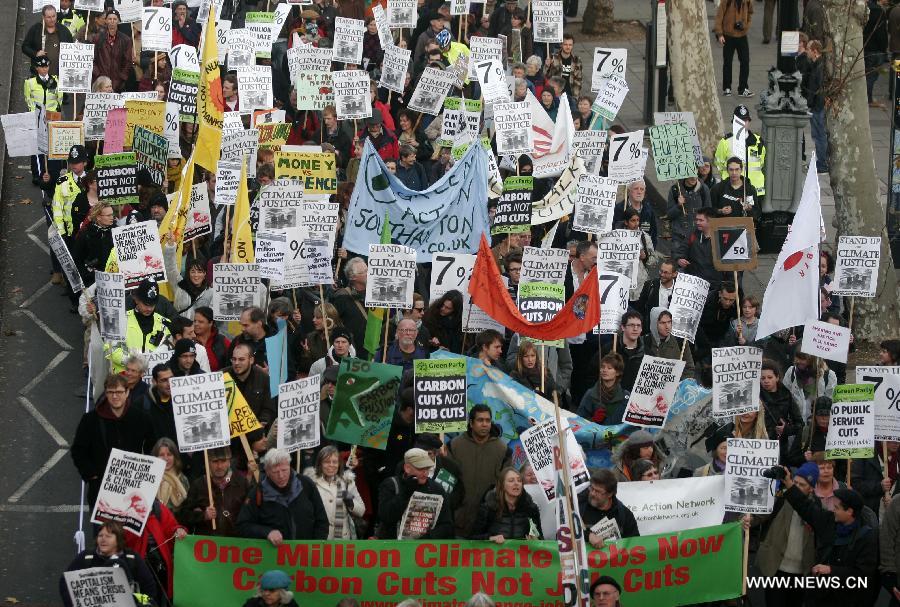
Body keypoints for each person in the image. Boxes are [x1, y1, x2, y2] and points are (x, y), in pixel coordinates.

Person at [781, 468, 879, 607]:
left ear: (849, 511)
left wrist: (831, 570)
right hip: (820, 597)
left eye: (837, 507)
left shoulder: (867, 537)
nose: (833, 510)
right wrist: (789, 484)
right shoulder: (828, 521)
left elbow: (864, 576)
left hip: (847, 599)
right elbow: (805, 506)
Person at [71, 374, 157, 510]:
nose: (115, 396)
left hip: (132, 486)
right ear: (105, 393)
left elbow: (152, 446)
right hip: (100, 487)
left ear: (127, 392)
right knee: (102, 530)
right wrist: (91, 475)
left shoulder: (141, 417)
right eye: (111, 392)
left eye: (119, 392)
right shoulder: (90, 419)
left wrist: (147, 471)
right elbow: (78, 450)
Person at [753, 462, 820, 607]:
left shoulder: (817, 509)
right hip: (776, 568)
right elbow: (760, 515)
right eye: (795, 482)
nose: (795, 487)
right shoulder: (781, 498)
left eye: (802, 485)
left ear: (811, 489)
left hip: (801, 573)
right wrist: (748, 519)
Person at [236, 448, 330, 543]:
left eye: (284, 470)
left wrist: (315, 547)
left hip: (305, 553)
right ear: (267, 472)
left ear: (289, 466)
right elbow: (243, 526)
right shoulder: (257, 492)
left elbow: (322, 521)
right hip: (273, 554)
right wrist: (267, 532)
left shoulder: (306, 485)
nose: (281, 476)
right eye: (275, 472)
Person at [447, 405, 512, 537]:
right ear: (471, 423)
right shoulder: (454, 446)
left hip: (490, 525)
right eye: (480, 420)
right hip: (459, 522)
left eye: (488, 420)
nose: (485, 424)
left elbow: (506, 487)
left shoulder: (503, 449)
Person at [60, 521, 160, 607]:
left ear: (118, 539)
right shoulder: (86, 557)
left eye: (108, 536)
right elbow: (65, 583)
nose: (103, 539)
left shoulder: (132, 559)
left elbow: (150, 589)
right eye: (100, 535)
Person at [376, 447, 454, 539]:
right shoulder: (391, 485)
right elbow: (386, 517)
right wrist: (406, 493)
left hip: (424, 549)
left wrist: (426, 537)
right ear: (407, 468)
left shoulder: (437, 489)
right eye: (421, 469)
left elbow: (447, 525)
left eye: (427, 469)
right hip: (395, 548)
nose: (426, 473)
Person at [123, 498, 186, 602]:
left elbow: (171, 527)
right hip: (137, 564)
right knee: (141, 597)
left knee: (158, 595)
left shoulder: (158, 508)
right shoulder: (122, 509)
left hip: (160, 564)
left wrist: (178, 530)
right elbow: (121, 539)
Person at [179, 446, 250, 537]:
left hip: (236, 545)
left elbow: (251, 515)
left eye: (223, 461)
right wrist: (202, 516)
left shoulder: (242, 483)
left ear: (229, 461)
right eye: (215, 461)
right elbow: (183, 515)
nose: (219, 466)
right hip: (208, 545)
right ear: (207, 462)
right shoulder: (198, 485)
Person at [107, 278, 172, 373]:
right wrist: (133, 363)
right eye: (145, 304)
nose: (149, 308)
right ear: (136, 299)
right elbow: (111, 349)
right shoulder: (119, 320)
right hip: (124, 380)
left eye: (152, 304)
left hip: (152, 381)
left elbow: (169, 353)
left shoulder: (165, 324)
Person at [303, 446, 365, 539]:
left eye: (335, 462)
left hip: (342, 541)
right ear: (320, 464)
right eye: (327, 462)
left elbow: (362, 511)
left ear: (339, 464)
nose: (331, 465)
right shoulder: (311, 483)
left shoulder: (347, 482)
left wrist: (351, 502)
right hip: (320, 539)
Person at [470, 467, 542, 542]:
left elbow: (540, 538)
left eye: (519, 480)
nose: (516, 483)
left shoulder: (531, 509)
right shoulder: (488, 508)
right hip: (495, 553)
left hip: (522, 553)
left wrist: (536, 539)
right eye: (511, 481)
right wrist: (490, 538)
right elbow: (472, 538)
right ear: (502, 485)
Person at [714, 106, 766, 203]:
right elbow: (719, 164)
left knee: (753, 217)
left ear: (749, 122)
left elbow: (761, 163)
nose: (742, 123)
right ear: (734, 122)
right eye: (739, 120)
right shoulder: (726, 142)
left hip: (755, 190)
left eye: (745, 120)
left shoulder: (758, 141)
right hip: (732, 189)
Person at [223, 343, 277, 430]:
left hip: (256, 430)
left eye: (241, 359)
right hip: (229, 432)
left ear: (251, 360)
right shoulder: (222, 377)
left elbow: (268, 408)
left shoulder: (263, 378)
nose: (236, 363)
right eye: (234, 359)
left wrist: (262, 422)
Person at [579, 469, 640, 547]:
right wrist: (588, 536)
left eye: (597, 491)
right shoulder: (580, 508)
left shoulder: (624, 514)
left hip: (615, 558)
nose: (592, 493)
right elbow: (566, 533)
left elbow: (634, 544)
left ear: (610, 494)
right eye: (592, 488)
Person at [760, 360, 805, 461]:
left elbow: (799, 424)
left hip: (780, 447)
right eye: (762, 378)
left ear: (777, 378)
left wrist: (786, 429)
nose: (766, 381)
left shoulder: (786, 395)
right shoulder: (755, 395)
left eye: (770, 377)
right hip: (760, 444)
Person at [674, 207, 724, 293]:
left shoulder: (722, 238)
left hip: (713, 286)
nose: (697, 223)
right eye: (697, 220)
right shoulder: (693, 234)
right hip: (693, 282)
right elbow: (680, 251)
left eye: (701, 220)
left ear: (710, 221)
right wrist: (679, 259)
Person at [714, 0, 754, 97]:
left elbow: (750, 13)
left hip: (742, 35)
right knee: (727, 62)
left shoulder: (748, 1)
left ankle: (743, 88)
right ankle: (727, 88)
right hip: (728, 35)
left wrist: (745, 26)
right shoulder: (726, 1)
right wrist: (719, 34)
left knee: (745, 61)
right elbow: (719, 16)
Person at [22, 5, 74, 77]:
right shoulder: (35, 29)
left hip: (59, 75)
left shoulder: (64, 31)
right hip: (38, 75)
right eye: (49, 17)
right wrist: (36, 54)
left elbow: (71, 49)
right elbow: (25, 47)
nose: (52, 19)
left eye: (54, 16)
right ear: (43, 17)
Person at [332, 258, 369, 358]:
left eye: (368, 269)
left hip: (374, 351)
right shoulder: (342, 296)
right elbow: (334, 323)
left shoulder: (377, 294)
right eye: (364, 272)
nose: (368, 273)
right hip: (353, 352)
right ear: (353, 277)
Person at [71, 202, 115, 288]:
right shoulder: (86, 235)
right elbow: (77, 259)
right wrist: (88, 275)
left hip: (113, 278)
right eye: (108, 215)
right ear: (98, 217)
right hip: (93, 281)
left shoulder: (116, 231)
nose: (112, 218)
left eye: (112, 214)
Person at [645, 308, 696, 380]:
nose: (667, 326)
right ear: (654, 323)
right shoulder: (644, 341)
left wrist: (680, 384)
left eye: (669, 322)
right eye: (662, 323)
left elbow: (689, 368)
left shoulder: (680, 341)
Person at [578, 353, 629, 424]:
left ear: (617, 373)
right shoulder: (590, 394)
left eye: (609, 368)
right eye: (602, 367)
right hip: (596, 434)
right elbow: (579, 420)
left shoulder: (625, 397)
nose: (604, 370)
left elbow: (630, 424)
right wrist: (593, 420)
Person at [783, 352, 837, 419]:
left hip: (817, 422)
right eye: (797, 358)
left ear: (812, 359)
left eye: (803, 358)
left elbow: (831, 401)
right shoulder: (791, 372)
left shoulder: (828, 375)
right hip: (796, 421)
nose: (798, 361)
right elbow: (784, 396)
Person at [92, 9, 133, 92]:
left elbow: (128, 61)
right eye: (110, 19)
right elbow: (92, 59)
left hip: (118, 83)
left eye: (115, 19)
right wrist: (99, 76)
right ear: (106, 21)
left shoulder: (126, 40)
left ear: (118, 21)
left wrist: (121, 78)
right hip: (101, 83)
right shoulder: (97, 38)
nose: (112, 21)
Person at [666, 174, 711, 250]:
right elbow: (669, 215)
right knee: (679, 260)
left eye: (696, 174)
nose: (693, 178)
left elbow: (709, 214)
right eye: (691, 174)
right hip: (679, 236)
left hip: (697, 236)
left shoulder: (704, 188)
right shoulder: (675, 189)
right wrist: (678, 206)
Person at [805, 40, 829, 174]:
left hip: (817, 107)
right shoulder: (818, 65)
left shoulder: (819, 67)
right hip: (817, 106)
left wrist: (812, 104)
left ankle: (822, 164)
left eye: (809, 49)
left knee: (819, 135)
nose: (807, 52)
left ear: (815, 51)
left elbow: (818, 88)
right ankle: (822, 162)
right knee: (819, 134)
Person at [613, 180, 658, 247]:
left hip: (643, 254)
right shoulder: (619, 209)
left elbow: (653, 234)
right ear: (629, 191)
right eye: (636, 188)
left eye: (642, 189)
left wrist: (647, 254)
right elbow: (613, 232)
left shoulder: (649, 211)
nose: (639, 192)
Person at [543, 34, 582, 106]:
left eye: (570, 45)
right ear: (561, 45)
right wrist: (547, 66)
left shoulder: (576, 60)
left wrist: (576, 97)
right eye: (565, 44)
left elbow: (578, 80)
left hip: (570, 94)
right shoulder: (553, 57)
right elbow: (546, 76)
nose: (568, 47)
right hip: (555, 94)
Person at [152, 437, 189, 513]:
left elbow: (188, 508)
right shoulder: (149, 479)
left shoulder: (183, 479)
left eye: (169, 454)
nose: (166, 458)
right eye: (161, 455)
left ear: (175, 457)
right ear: (155, 457)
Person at [635, 260, 677, 326]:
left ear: (674, 274)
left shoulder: (679, 290)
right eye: (661, 271)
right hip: (651, 328)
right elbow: (640, 308)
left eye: (666, 272)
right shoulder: (650, 285)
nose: (662, 274)